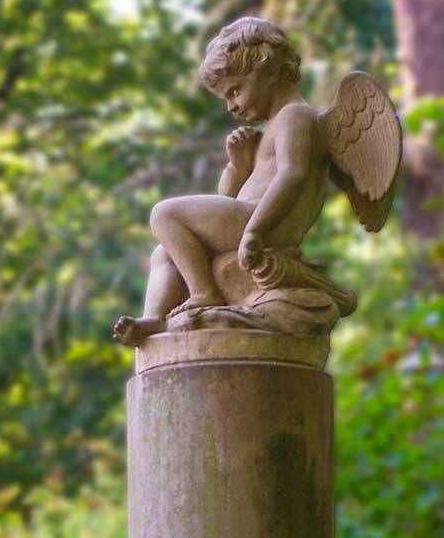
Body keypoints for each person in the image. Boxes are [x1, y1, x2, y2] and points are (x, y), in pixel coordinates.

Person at [112, 18, 333, 346]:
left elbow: (293, 175)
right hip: (245, 218)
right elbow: (226, 199)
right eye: (226, 97)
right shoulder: (273, 125)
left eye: (235, 90)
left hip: (262, 223)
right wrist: (238, 165)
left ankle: (205, 293)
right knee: (165, 252)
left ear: (270, 72)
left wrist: (255, 231)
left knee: (164, 214)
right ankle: (156, 318)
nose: (232, 106)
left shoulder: (295, 116)